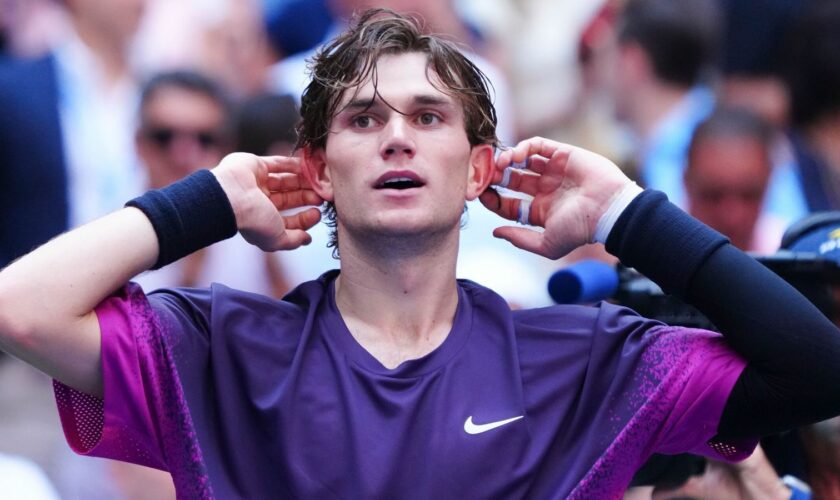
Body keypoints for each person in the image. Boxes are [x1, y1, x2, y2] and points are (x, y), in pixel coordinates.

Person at [0, 9, 839, 498]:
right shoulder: (220, 346)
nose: (397, 136)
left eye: (429, 117)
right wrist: (205, 201)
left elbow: (820, 370)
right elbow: (20, 308)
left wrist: (628, 212)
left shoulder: (586, 358)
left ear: (479, 169)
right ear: (319, 171)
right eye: (364, 119)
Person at [133, 70, 295, 297]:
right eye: (165, 137)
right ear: (138, 142)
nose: (183, 155)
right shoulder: (103, 228)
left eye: (204, 138)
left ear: (227, 148)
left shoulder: (256, 235)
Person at [684, 106, 785, 253]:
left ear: (769, 181)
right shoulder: (651, 255)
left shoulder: (794, 257)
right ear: (686, 182)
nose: (732, 218)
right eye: (713, 196)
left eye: (749, 195)